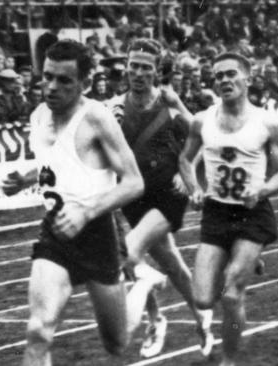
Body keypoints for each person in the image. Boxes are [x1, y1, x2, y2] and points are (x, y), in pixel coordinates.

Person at [1, 39, 144, 365]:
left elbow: (135, 181)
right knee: (38, 331)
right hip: (55, 232)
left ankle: (145, 284)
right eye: (47, 76)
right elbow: (55, 165)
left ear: (85, 83)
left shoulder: (96, 118)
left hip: (98, 234)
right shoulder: (39, 116)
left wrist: (87, 211)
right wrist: (23, 179)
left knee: (116, 344)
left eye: (64, 80)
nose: (51, 87)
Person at [106, 38, 215, 359]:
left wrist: (187, 172)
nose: (138, 73)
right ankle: (202, 320)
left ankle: (156, 320)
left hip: (168, 194)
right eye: (134, 66)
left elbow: (204, 138)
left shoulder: (168, 105)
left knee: (131, 253)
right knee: (172, 265)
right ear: (126, 66)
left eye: (146, 68)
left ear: (157, 72)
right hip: (133, 196)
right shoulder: (113, 107)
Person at [179, 52, 278, 366]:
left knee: (231, 295)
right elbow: (186, 160)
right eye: (218, 76)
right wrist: (194, 189)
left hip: (252, 213)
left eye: (231, 74)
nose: (224, 81)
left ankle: (230, 357)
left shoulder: (266, 122)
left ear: (247, 79)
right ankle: (248, 257)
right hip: (216, 212)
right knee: (202, 298)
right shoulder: (202, 120)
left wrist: (263, 189)